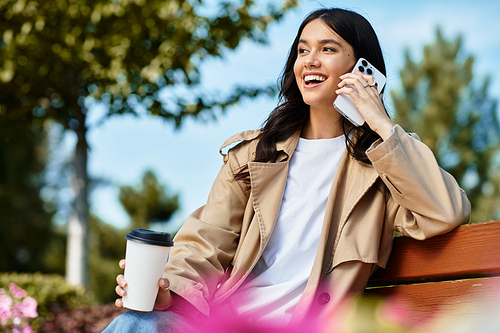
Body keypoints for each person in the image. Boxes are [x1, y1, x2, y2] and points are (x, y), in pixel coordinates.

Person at [103, 7, 470, 332]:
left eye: (327, 49)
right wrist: (169, 291)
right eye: (302, 50)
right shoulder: (253, 155)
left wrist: (380, 124)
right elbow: (204, 241)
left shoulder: (383, 166)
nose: (310, 60)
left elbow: (444, 212)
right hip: (228, 323)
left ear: (363, 69)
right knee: (137, 321)